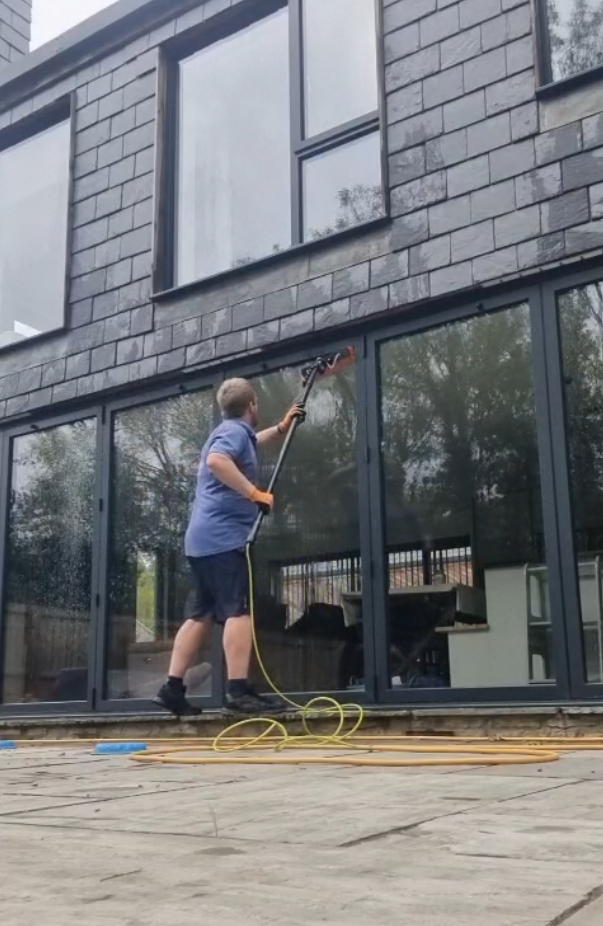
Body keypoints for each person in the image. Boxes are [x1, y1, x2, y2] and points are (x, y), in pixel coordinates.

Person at [154, 377, 305, 717]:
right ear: (252, 405)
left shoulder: (234, 432)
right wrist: (254, 494)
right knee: (238, 610)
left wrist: (281, 428)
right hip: (222, 541)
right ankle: (238, 691)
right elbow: (218, 462)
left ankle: (172, 689)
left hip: (203, 541)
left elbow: (248, 442)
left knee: (201, 614)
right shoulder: (234, 434)